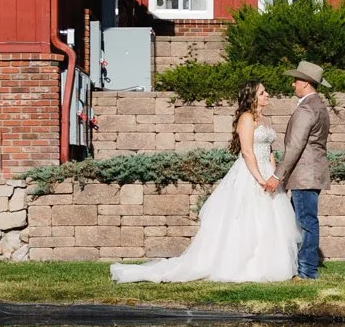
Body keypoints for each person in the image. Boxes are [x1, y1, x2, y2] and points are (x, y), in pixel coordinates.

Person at [110, 80, 298, 283]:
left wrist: (274, 174)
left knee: (270, 220)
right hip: (250, 173)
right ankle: (240, 265)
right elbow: (247, 151)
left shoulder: (266, 120)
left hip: (267, 172)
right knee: (245, 219)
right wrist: (260, 178)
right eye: (262, 92)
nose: (267, 94)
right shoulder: (246, 118)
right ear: (252, 96)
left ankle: (267, 264)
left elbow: (269, 150)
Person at [268, 61, 331, 280]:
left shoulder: (306, 108)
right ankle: (298, 268)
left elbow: (295, 146)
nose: (293, 83)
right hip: (312, 174)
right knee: (300, 221)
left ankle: (307, 272)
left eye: (296, 80)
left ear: (305, 83)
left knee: (306, 223)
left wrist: (277, 175)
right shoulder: (319, 105)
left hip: (304, 176)